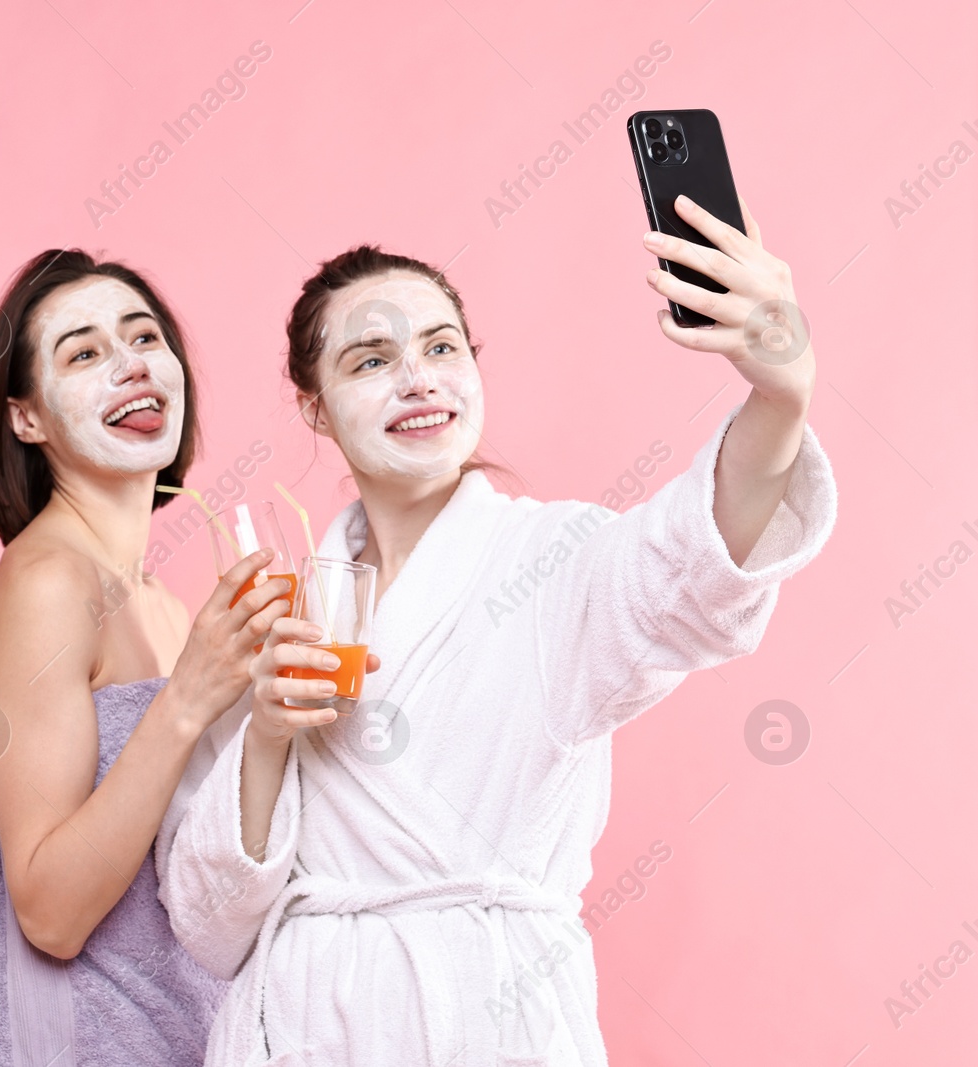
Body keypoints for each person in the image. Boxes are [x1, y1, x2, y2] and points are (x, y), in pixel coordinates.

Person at [157, 196, 839, 1064]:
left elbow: (693, 559)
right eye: (371, 359)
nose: (418, 379)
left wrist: (781, 393)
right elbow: (209, 926)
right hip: (302, 1030)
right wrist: (267, 734)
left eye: (442, 347)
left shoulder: (550, 564)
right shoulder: (283, 622)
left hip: (488, 1023)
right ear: (315, 409)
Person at [0, 250, 285, 1065]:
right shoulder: (46, 584)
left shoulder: (171, 608)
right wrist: (189, 699)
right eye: (84, 352)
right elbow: (49, 912)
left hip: (183, 1035)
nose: (131, 363)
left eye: (144, 336)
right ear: (25, 418)